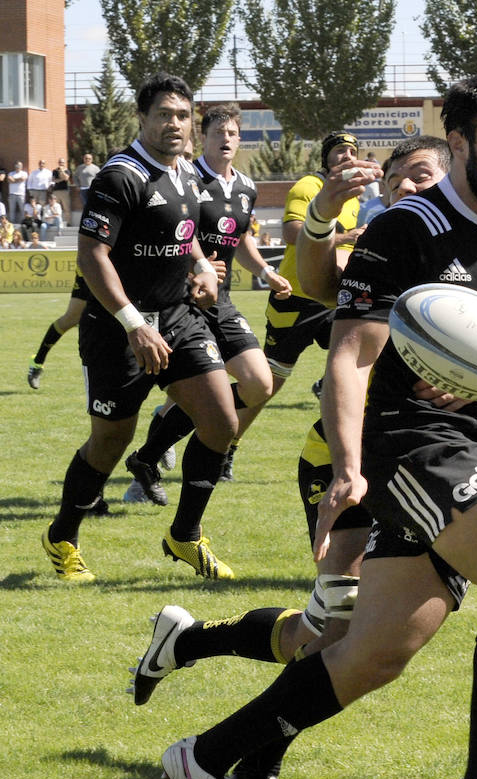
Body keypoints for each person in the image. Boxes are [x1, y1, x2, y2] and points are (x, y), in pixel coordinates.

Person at [157, 74, 477, 779]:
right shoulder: (406, 230)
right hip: (408, 438)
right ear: (459, 143)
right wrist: (350, 469)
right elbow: (352, 358)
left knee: (375, 651)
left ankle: (204, 758)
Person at [41, 71, 241, 584]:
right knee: (109, 442)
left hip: (177, 319)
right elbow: (91, 255)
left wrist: (201, 270)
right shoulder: (120, 175)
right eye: (163, 115)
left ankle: (185, 535)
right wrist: (132, 323)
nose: (174, 124)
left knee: (222, 420)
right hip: (118, 329)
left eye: (181, 115)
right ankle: (63, 535)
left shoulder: (187, 175)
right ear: (143, 119)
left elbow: (189, 235)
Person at [121, 102, 292, 502]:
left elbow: (243, 240)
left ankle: (147, 456)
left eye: (233, 133)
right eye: (218, 133)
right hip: (183, 302)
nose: (226, 140)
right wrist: (194, 266)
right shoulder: (184, 177)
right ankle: (143, 475)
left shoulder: (247, 187)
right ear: (204, 138)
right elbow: (166, 235)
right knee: (184, 395)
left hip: (223, 300)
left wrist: (264, 271)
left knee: (259, 383)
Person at [217, 131, 366, 478]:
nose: (346, 156)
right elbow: (292, 233)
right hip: (295, 299)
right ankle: (225, 444)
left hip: (333, 298)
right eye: (339, 151)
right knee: (270, 384)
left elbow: (339, 250)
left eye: (352, 151)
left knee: (358, 366)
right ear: (326, 159)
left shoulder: (354, 196)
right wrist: (345, 236)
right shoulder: (309, 187)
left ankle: (349, 456)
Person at [52, 158, 72, 225]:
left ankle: (68, 222)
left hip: (64, 191)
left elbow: (66, 178)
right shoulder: (54, 170)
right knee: (56, 207)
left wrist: (62, 171)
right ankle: (56, 222)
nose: (61, 163)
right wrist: (61, 179)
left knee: (66, 207)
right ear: (58, 163)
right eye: (60, 162)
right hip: (56, 191)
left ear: (64, 163)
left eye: (62, 162)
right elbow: (54, 180)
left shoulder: (67, 170)